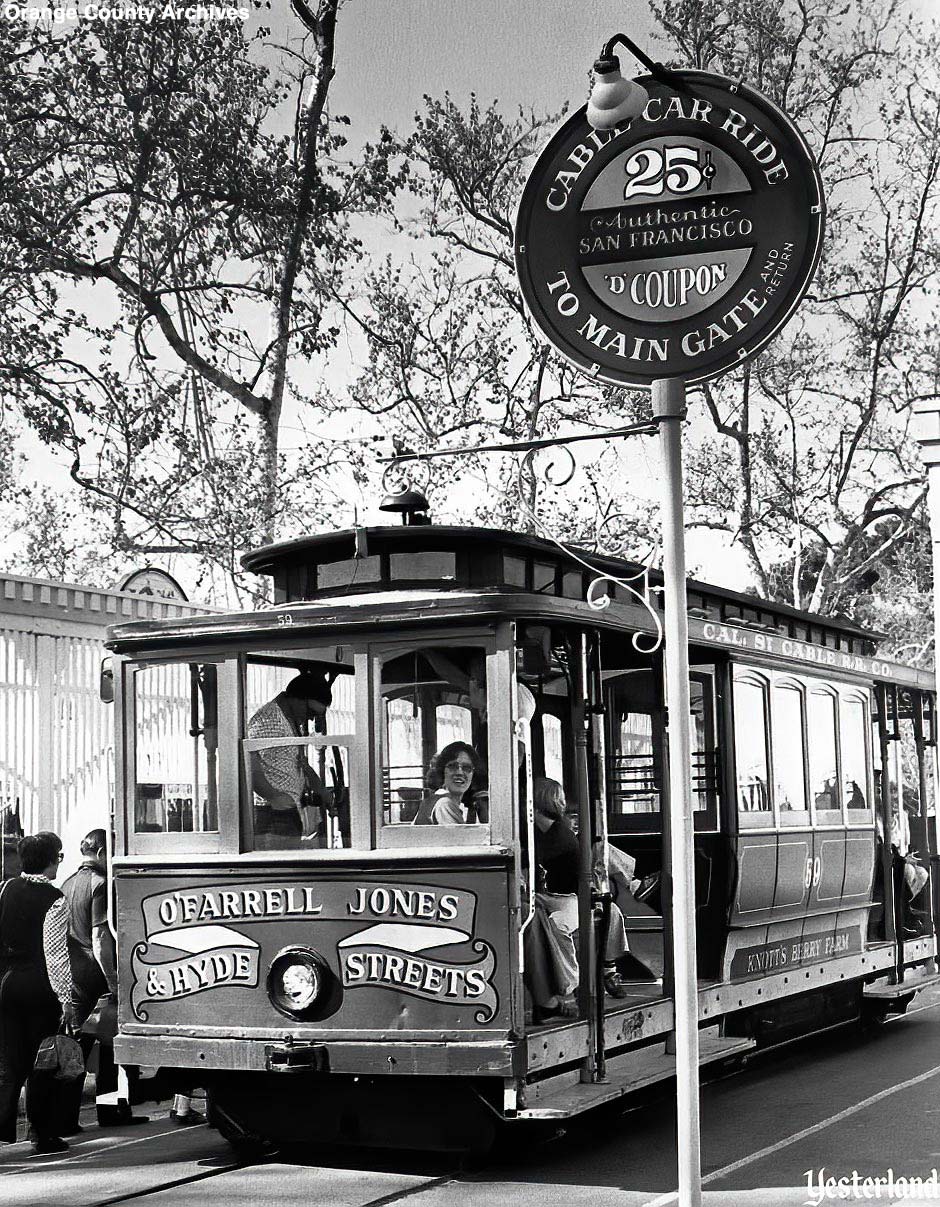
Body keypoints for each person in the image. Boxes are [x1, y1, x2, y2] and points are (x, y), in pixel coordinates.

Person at [529, 779, 653, 1008]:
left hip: (572, 898)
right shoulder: (539, 832)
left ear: (535, 804)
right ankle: (634, 884)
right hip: (552, 895)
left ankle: (570, 986)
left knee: (562, 924)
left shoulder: (560, 836)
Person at [60, 828, 148, 1131]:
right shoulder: (100, 885)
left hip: (72, 974)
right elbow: (100, 937)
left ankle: (66, 1116)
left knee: (76, 1047)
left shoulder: (67, 883)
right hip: (95, 973)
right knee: (108, 1047)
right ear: (100, 853)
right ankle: (108, 1112)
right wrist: (112, 979)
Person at [0, 831, 77, 1153]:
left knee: (8, 1064)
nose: (59, 862)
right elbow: (55, 952)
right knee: (42, 1062)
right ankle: (41, 1132)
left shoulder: (7, 888)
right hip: (39, 987)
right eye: (58, 856)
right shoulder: (54, 899)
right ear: (49, 860)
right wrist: (66, 998)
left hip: (6, 983)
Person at [248, 672, 333, 842]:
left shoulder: (293, 720)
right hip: (273, 813)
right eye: (311, 711)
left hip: (289, 809)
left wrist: (322, 791)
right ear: (298, 698)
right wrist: (275, 797)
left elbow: (299, 762)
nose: (310, 718)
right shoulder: (268, 719)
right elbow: (248, 762)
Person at [414, 742, 488, 825]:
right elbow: (461, 837)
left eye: (467, 768)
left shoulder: (433, 800)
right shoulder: (444, 804)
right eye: (453, 766)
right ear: (441, 771)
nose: (460, 772)